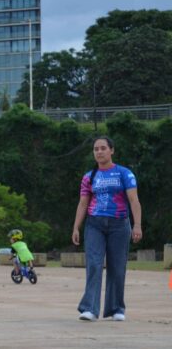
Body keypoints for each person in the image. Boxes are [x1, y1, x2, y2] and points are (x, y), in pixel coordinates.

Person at [72, 136, 142, 322]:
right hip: (94, 224)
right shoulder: (89, 177)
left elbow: (134, 200)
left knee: (117, 267)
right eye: (96, 149)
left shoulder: (124, 174)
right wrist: (76, 227)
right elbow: (82, 203)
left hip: (119, 224)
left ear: (112, 150)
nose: (99, 152)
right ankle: (89, 309)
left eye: (103, 148)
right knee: (94, 264)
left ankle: (116, 308)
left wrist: (137, 225)